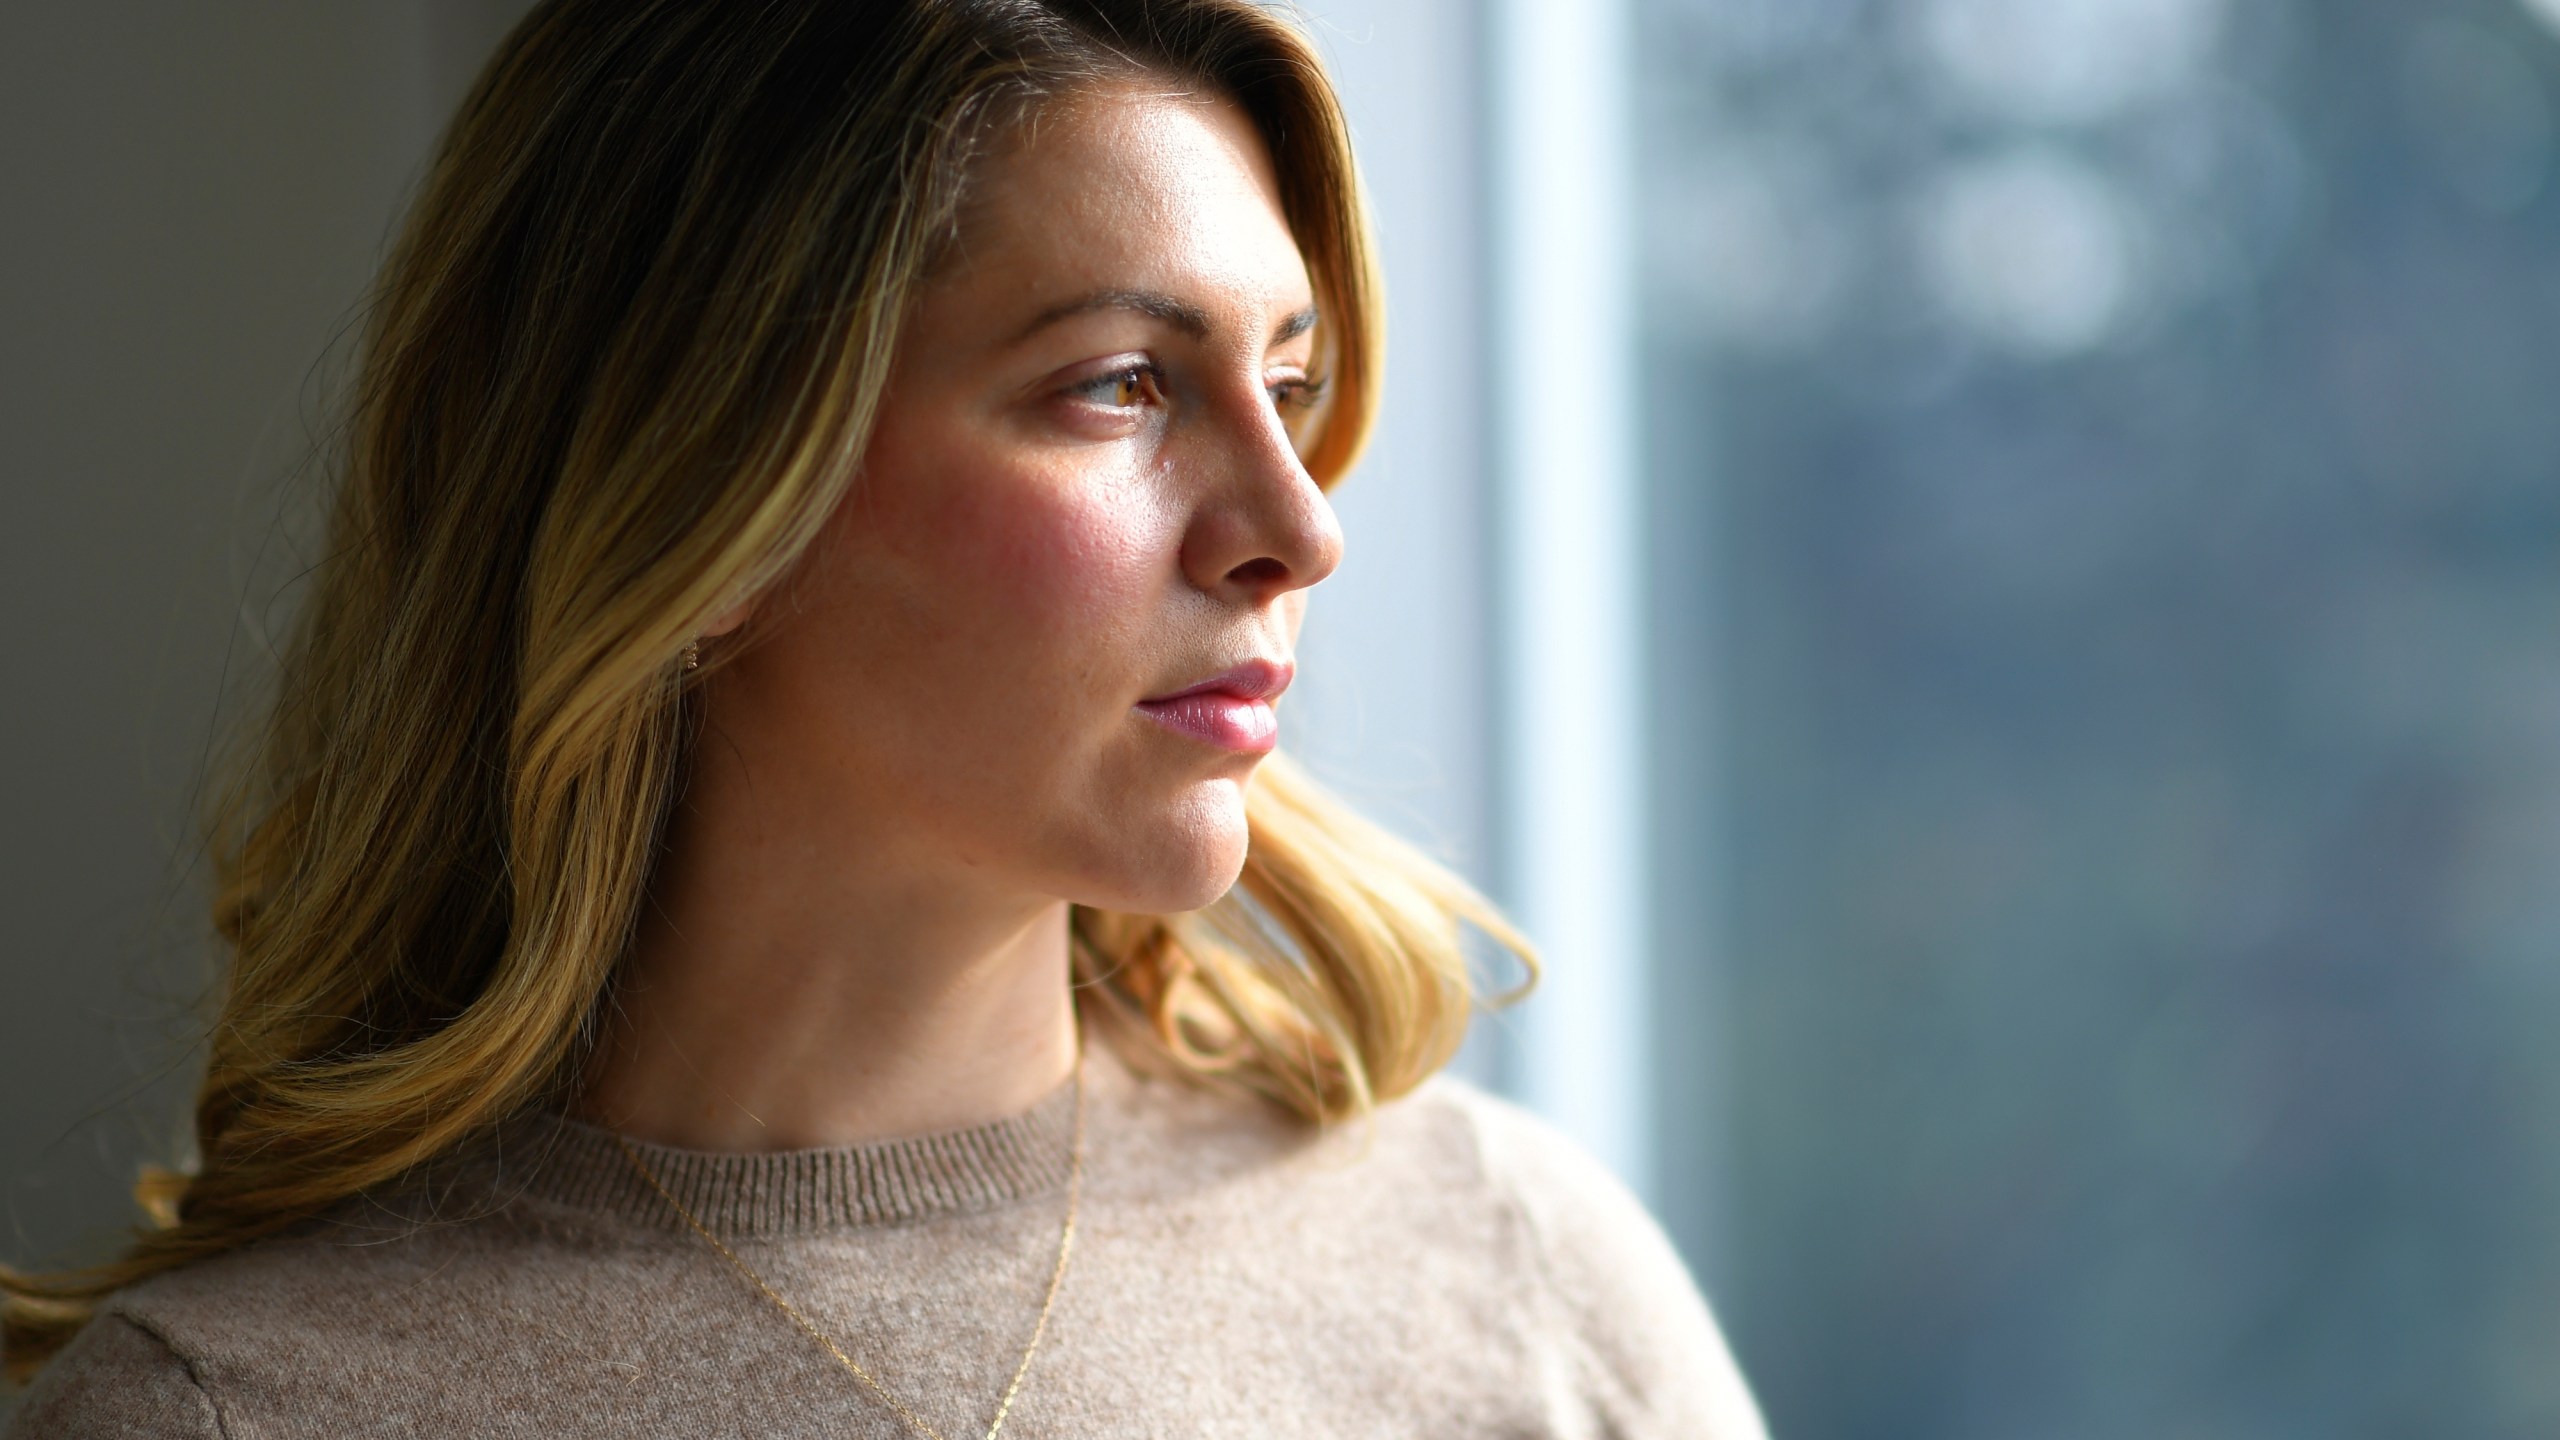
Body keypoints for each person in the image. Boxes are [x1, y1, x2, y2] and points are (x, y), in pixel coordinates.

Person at [1, 1, 1766, 1434]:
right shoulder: (239, 1416)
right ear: (712, 494)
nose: (1300, 525)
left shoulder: (1514, 1285)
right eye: (1122, 388)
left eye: (1289, 383)